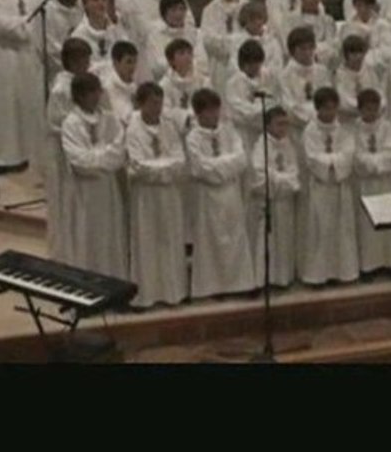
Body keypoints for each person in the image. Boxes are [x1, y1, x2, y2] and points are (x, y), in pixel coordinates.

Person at [185, 88, 256, 299]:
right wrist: (226, 166)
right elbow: (200, 167)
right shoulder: (193, 138)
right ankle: (212, 286)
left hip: (231, 193)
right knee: (210, 241)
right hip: (207, 195)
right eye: (209, 111)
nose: (214, 115)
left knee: (235, 237)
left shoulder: (229, 131)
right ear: (198, 114)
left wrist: (220, 167)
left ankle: (240, 283)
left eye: (216, 110)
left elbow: (242, 159)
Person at [126, 81, 188, 307]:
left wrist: (160, 168)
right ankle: (146, 296)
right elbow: (139, 166)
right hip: (146, 197)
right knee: (147, 242)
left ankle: (174, 292)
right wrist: (165, 168)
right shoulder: (132, 129)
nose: (158, 108)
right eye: (153, 103)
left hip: (169, 195)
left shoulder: (168, 126)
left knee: (169, 240)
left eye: (160, 103)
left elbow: (180, 160)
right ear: (141, 104)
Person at [60, 72, 128, 278]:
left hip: (108, 189)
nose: (96, 96)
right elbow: (79, 161)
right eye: (91, 93)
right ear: (79, 96)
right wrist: (106, 157)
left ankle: (115, 283)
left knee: (112, 239)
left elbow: (120, 152)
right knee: (88, 239)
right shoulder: (71, 123)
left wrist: (101, 158)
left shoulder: (109, 118)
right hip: (85, 193)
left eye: (98, 91)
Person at [0, 0, 46, 172]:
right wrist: (26, 25)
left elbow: (40, 23)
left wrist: (22, 24)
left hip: (32, 56)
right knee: (10, 106)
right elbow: (2, 25)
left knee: (31, 104)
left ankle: (32, 153)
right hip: (9, 58)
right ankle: (8, 156)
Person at [301, 87, 359, 285]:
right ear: (317, 109)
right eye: (326, 108)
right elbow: (311, 157)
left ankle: (344, 272)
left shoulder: (343, 129)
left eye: (334, 108)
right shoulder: (310, 130)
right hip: (321, 186)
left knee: (342, 230)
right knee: (320, 229)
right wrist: (334, 162)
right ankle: (318, 275)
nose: (331, 113)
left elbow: (349, 154)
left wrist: (332, 162)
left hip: (340, 186)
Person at [43, 37, 91, 262]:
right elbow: (54, 122)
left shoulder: (82, 82)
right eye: (83, 59)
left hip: (81, 147)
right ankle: (66, 253)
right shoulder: (61, 88)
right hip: (63, 152)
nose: (87, 63)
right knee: (66, 202)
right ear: (71, 60)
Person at [353, 88, 391, 277]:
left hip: (385, 182)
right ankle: (369, 266)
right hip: (365, 184)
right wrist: (374, 164)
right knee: (367, 225)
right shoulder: (355, 128)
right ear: (360, 110)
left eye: (375, 109)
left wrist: (374, 163)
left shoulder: (386, 126)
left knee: (389, 221)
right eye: (367, 109)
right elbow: (356, 155)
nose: (371, 113)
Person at [249, 106, 300, 288]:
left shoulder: (288, 143)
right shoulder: (261, 146)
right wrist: (283, 181)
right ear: (268, 125)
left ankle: (283, 278)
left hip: (285, 201)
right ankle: (265, 279)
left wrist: (281, 180)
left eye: (285, 124)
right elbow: (259, 175)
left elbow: (294, 171)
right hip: (269, 202)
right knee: (268, 241)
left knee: (285, 240)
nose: (283, 128)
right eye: (279, 124)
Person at [200, 0, 248, 94]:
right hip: (221, 68)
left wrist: (228, 41)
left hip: (244, 67)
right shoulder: (209, 10)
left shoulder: (248, 7)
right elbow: (208, 41)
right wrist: (236, 42)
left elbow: (254, 36)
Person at [145, 0, 210, 82]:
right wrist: (183, 64)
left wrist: (183, 65)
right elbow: (157, 66)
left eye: (181, 9)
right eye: (173, 10)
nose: (178, 14)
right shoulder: (155, 36)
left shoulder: (195, 33)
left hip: (195, 82)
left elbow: (203, 62)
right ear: (164, 14)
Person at [281, 0, 338, 70]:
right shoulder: (289, 20)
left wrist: (315, 52)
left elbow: (332, 47)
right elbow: (287, 47)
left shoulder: (328, 21)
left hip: (322, 67)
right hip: (296, 69)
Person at [71, 0, 128, 74]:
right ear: (85, 5)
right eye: (95, 0)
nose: (101, 3)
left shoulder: (116, 30)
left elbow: (126, 56)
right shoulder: (78, 35)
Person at [43, 0, 83, 82]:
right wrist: (72, 64)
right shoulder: (48, 11)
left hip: (82, 68)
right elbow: (50, 47)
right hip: (58, 73)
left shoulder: (79, 7)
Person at [99, 41, 139, 127]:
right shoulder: (106, 89)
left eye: (135, 61)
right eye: (128, 62)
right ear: (116, 62)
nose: (133, 66)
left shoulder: (135, 87)